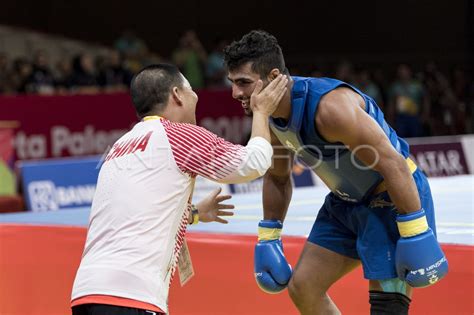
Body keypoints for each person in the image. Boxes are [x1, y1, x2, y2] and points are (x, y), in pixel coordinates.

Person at [224, 30, 448, 315]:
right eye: (232, 83)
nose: (235, 93)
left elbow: (393, 164)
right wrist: (269, 234)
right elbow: (278, 178)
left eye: (244, 83)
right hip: (344, 204)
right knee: (303, 288)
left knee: (387, 308)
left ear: (273, 77)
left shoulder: (331, 109)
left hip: (392, 198)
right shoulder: (265, 118)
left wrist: (415, 230)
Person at [70, 63, 288, 315]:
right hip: (131, 296)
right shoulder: (178, 135)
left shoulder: (119, 146)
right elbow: (253, 164)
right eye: (191, 90)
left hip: (86, 293)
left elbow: (135, 213)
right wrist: (261, 112)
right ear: (176, 94)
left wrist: (194, 213)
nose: (196, 97)